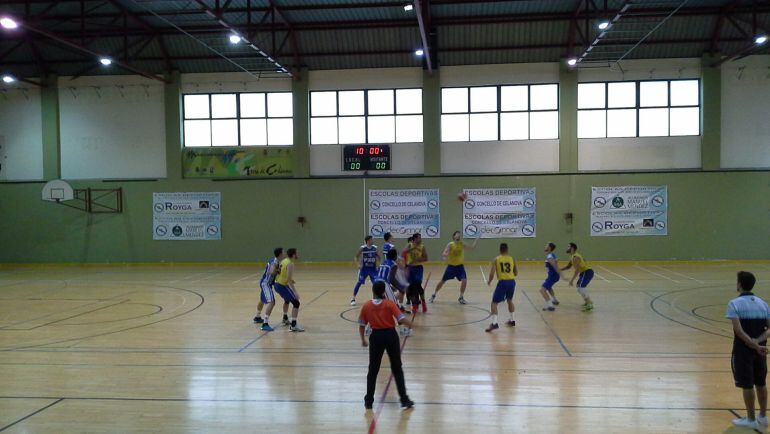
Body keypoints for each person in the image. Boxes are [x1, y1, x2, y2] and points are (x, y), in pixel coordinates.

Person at [359, 281, 415, 411]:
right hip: (390, 336)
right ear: (384, 292)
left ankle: (369, 401)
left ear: (373, 291)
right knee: (397, 368)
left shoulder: (367, 306)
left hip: (376, 337)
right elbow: (401, 319)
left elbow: (362, 325)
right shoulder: (389, 304)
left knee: (373, 370)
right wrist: (413, 325)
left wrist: (363, 339)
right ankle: (404, 399)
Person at [727, 271, 770, 429]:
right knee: (761, 382)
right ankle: (763, 416)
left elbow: (738, 331)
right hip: (761, 351)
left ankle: (751, 419)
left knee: (747, 384)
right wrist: (758, 343)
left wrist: (753, 344)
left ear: (739, 284)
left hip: (742, 351)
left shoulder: (734, 304)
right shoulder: (763, 304)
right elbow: (769, 329)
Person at [430, 231, 478, 305]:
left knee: (464, 280)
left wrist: (476, 240)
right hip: (451, 267)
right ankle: (434, 294)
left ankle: (461, 297)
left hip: (460, 267)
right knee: (442, 281)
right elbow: (445, 252)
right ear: (454, 236)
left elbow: (472, 247)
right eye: (457, 235)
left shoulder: (462, 244)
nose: (459, 236)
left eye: (459, 235)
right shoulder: (450, 244)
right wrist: (445, 255)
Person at [485, 243, 517, 332]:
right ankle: (512, 320)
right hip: (512, 282)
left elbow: (492, 273)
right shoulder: (512, 258)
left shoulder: (496, 259)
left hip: (503, 282)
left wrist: (489, 281)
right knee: (509, 300)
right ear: (507, 249)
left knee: (494, 303)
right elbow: (516, 273)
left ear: (500, 250)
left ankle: (494, 324)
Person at [273, 248, 305, 332]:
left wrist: (288, 279)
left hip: (277, 284)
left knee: (287, 300)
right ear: (294, 254)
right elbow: (289, 279)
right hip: (281, 285)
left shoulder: (284, 261)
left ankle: (285, 318)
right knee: (296, 302)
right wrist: (295, 292)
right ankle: (293, 325)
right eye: (297, 253)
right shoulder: (290, 264)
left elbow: (282, 273)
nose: (298, 254)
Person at [253, 247, 284, 331]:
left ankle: (257, 316)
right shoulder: (274, 262)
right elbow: (271, 271)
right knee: (272, 302)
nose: (284, 253)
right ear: (280, 254)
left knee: (262, 300)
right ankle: (265, 324)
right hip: (266, 284)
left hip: (265, 283)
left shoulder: (275, 260)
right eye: (283, 252)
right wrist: (278, 270)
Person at [561, 242, 594, 312]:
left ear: (572, 248)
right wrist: (558, 269)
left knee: (581, 287)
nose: (567, 248)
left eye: (568, 246)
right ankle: (587, 301)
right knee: (579, 288)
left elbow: (577, 270)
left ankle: (589, 304)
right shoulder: (573, 256)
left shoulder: (576, 257)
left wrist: (571, 280)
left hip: (587, 272)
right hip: (584, 273)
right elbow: (568, 266)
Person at [351, 236, 380, 306]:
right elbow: (356, 257)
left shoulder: (375, 248)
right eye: (371, 239)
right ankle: (353, 298)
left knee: (376, 284)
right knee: (359, 283)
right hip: (364, 269)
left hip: (373, 269)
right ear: (368, 241)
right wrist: (358, 264)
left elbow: (379, 257)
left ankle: (375, 298)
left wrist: (378, 265)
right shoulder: (362, 248)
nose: (373, 240)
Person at [405, 233, 428, 313]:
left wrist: (418, 260)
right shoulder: (409, 245)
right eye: (419, 238)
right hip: (410, 268)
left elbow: (426, 258)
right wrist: (411, 249)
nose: (420, 239)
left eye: (420, 238)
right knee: (411, 287)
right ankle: (414, 305)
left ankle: (423, 302)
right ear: (414, 239)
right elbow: (403, 252)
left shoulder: (422, 247)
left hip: (418, 268)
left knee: (417, 285)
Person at [538, 243, 561, 311]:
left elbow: (555, 265)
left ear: (549, 248)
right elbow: (556, 262)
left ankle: (550, 306)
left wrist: (562, 275)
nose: (545, 247)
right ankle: (554, 300)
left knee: (542, 290)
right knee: (549, 287)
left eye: (546, 246)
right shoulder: (551, 255)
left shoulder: (549, 256)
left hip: (553, 276)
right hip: (552, 276)